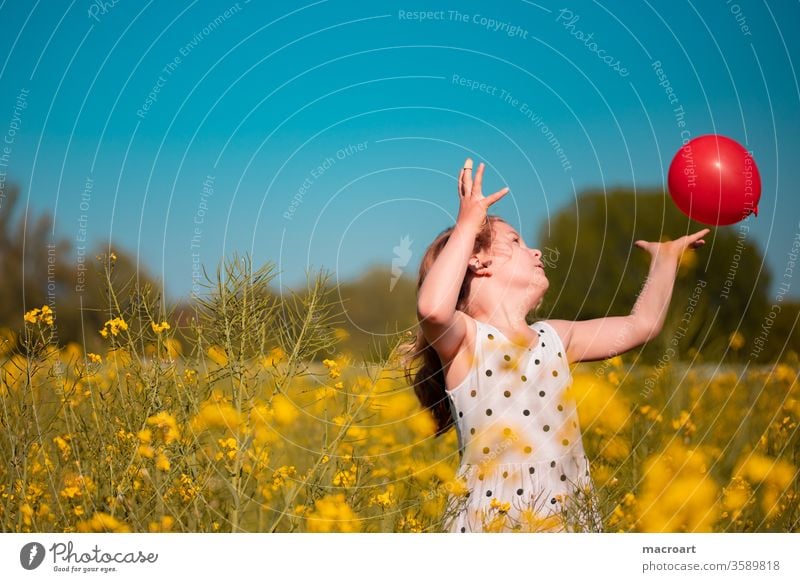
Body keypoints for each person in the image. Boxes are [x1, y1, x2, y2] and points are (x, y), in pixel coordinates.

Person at [402, 158, 710, 532]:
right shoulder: (466, 340)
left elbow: (640, 325)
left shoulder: (554, 337)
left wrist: (666, 260)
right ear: (477, 261)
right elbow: (433, 308)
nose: (536, 252)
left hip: (567, 518)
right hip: (494, 523)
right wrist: (468, 222)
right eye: (516, 242)